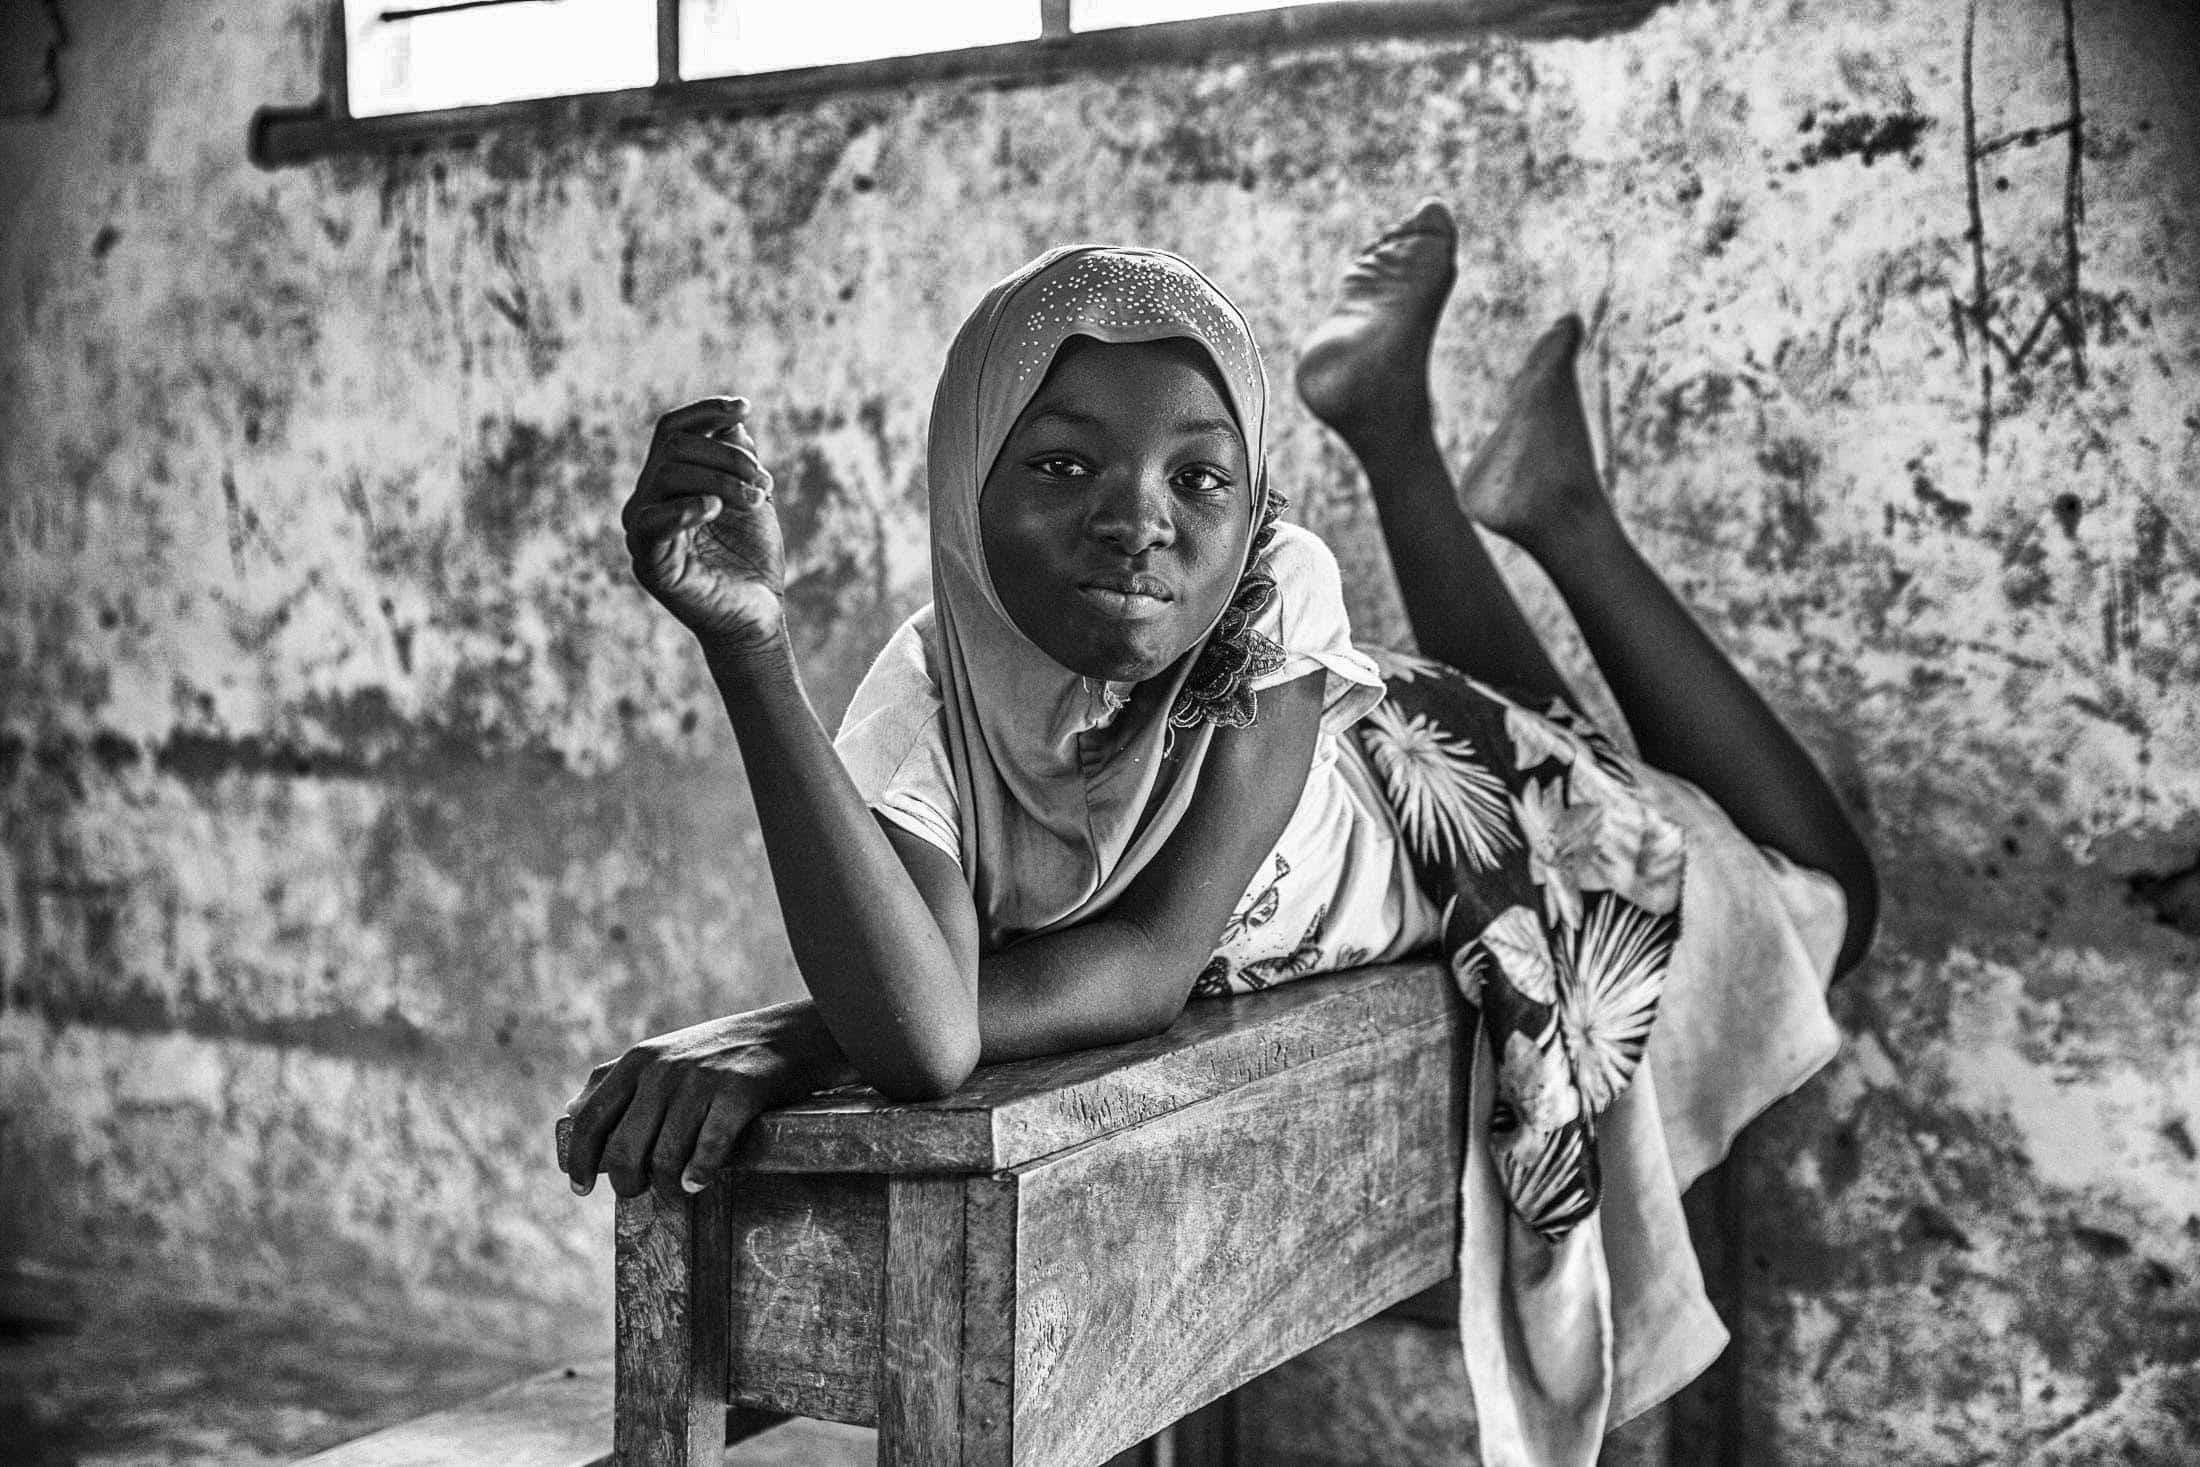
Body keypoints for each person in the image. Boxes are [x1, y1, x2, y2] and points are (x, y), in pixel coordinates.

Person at [561, 200, 1876, 1464]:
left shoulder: (1273, 588)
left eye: (1200, 473)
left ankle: (1508, 489)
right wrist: (751, 648)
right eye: (1065, 462)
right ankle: (1457, 457)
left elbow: (1143, 962)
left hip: (1420, 785)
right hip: (1380, 765)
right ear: (967, 481)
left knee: (1828, 895)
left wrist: (792, 1034)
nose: (1138, 518)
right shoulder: (923, 708)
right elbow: (927, 1035)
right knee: (1639, 775)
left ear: (1249, 508)